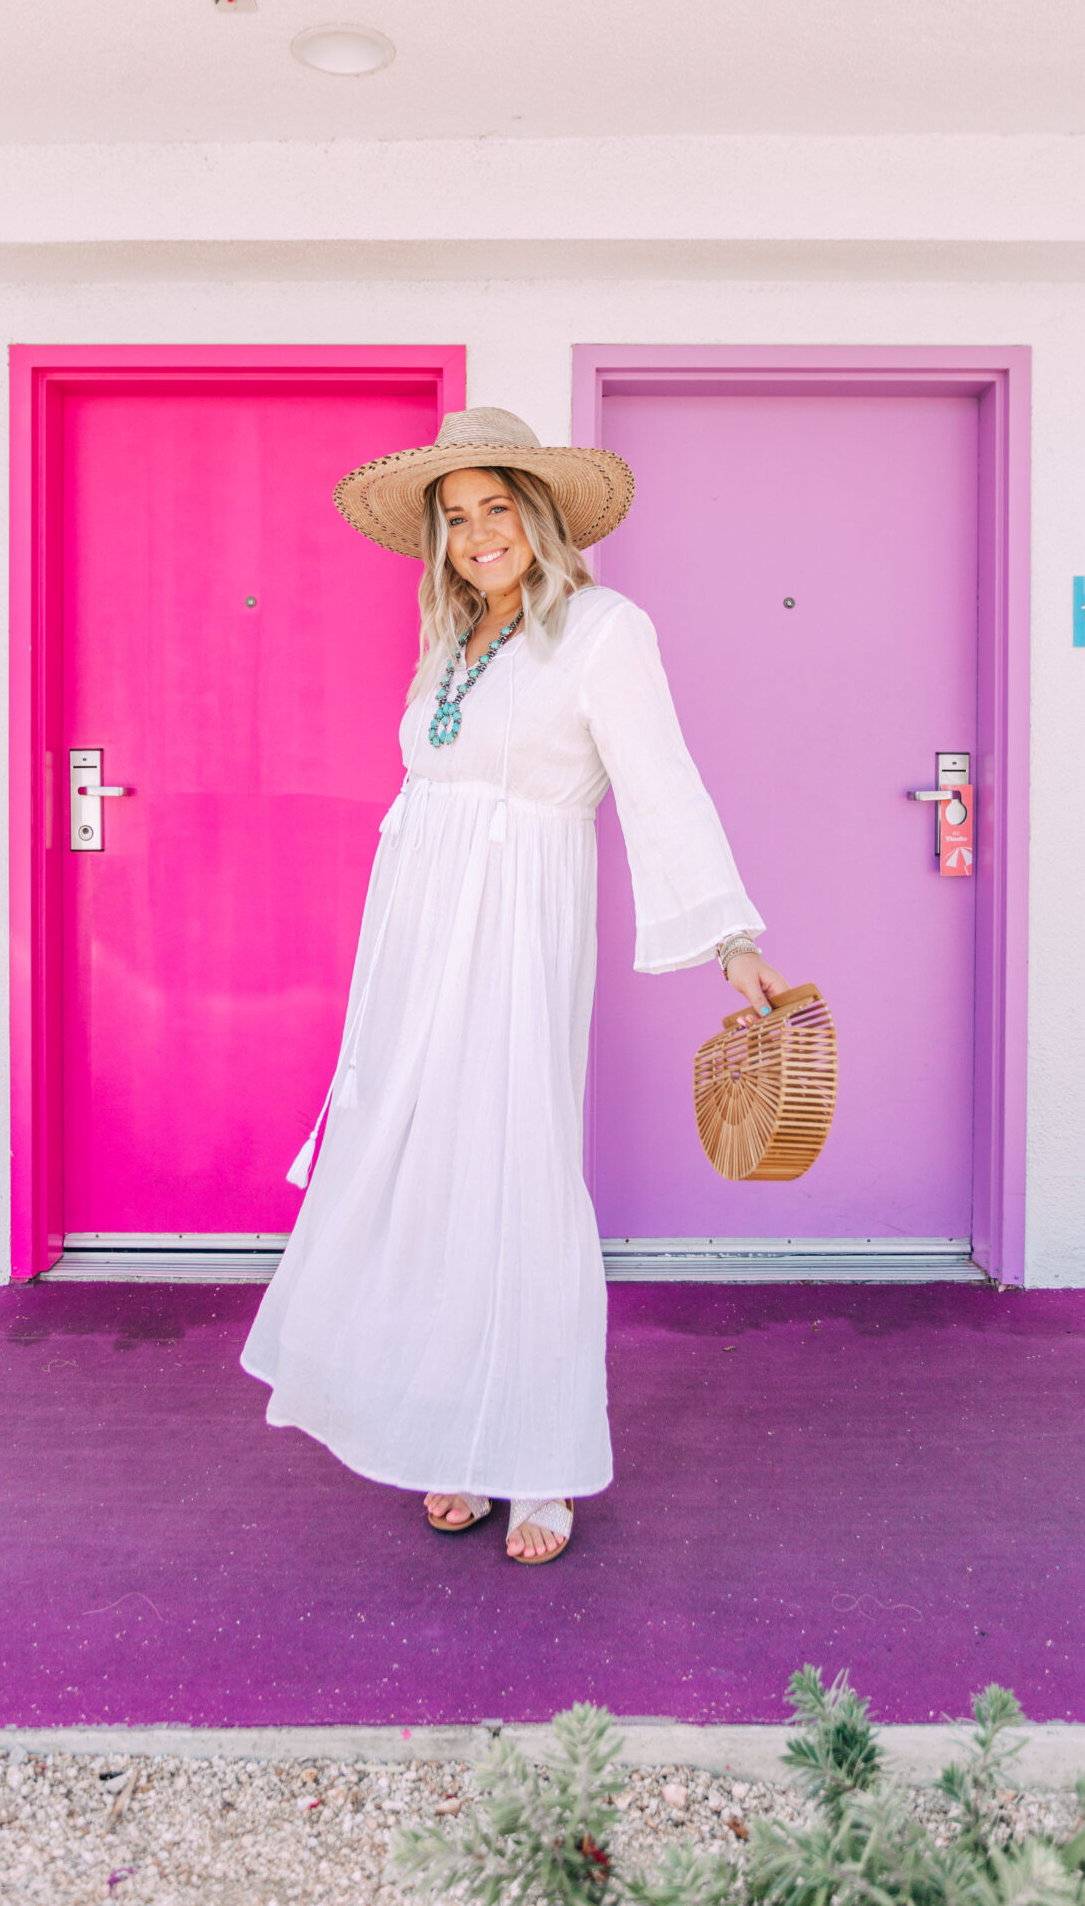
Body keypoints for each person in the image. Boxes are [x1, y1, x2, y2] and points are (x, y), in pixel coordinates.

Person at [240, 408, 788, 1565]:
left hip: (518, 929)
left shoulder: (601, 628)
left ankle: (536, 1462)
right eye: (456, 518)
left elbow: (661, 786)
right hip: (416, 933)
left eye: (497, 508)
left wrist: (730, 936)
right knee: (425, 1173)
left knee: (516, 1171)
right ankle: (450, 1434)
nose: (479, 535)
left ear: (537, 515)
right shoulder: (451, 640)